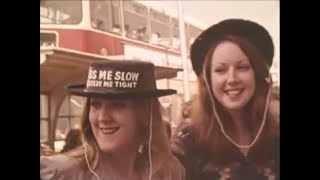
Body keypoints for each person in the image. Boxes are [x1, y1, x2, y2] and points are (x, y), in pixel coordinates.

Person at [171, 19, 279, 180]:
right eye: (221, 70)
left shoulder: (275, 132)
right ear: (208, 80)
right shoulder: (188, 139)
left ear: (257, 74)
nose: (232, 78)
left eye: (243, 67)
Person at [40, 60, 185, 180]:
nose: (103, 117)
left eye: (117, 105)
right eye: (95, 105)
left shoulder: (168, 172)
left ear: (146, 114)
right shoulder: (59, 173)